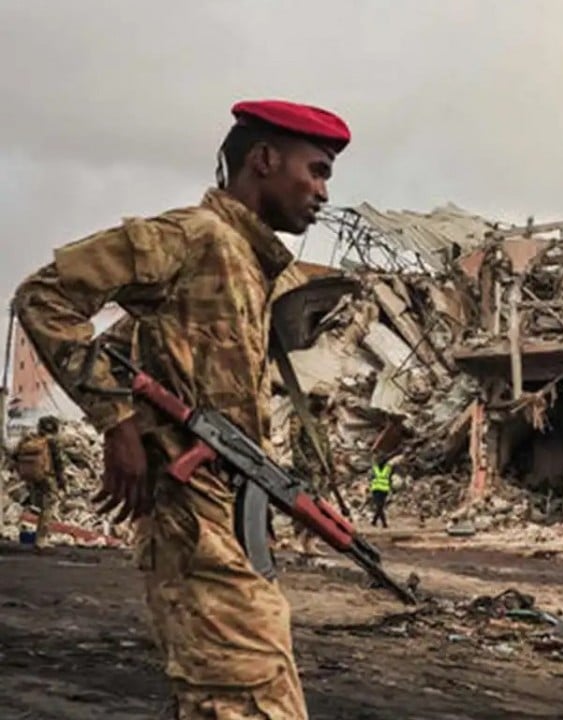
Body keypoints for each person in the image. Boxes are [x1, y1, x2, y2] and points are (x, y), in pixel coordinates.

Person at [12, 99, 350, 716]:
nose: (325, 191)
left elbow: (129, 348)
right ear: (265, 159)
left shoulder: (251, 264)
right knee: (247, 696)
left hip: (222, 515)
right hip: (194, 521)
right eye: (318, 170)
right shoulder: (195, 237)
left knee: (234, 691)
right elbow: (43, 296)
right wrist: (118, 425)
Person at [288, 394, 333, 558]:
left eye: (325, 400)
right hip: (306, 470)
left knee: (320, 506)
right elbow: (294, 442)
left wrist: (330, 466)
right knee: (304, 504)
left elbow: (326, 446)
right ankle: (298, 538)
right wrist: (302, 464)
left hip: (320, 471)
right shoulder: (300, 416)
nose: (322, 403)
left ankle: (310, 541)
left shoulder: (321, 421)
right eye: (319, 399)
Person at [12, 416, 67, 549]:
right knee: (48, 507)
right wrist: (62, 482)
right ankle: (41, 540)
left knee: (36, 505)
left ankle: (32, 534)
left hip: (31, 476)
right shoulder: (53, 441)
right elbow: (59, 463)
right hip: (47, 477)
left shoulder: (30, 439)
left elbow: (14, 455)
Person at [369, 455, 393, 528]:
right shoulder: (388, 468)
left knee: (379, 507)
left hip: (378, 490)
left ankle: (375, 522)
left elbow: (371, 477)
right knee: (380, 506)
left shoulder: (375, 468)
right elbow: (390, 479)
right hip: (382, 490)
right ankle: (382, 523)